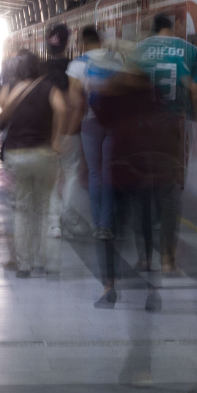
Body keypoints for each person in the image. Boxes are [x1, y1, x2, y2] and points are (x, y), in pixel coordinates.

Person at [132, 14, 197, 275]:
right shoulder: (187, 51)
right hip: (171, 129)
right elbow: (195, 92)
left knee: (141, 195)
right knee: (169, 195)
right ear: (172, 29)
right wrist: (196, 129)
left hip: (139, 131)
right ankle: (167, 260)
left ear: (151, 30)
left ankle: (143, 259)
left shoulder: (137, 52)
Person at [0, 50, 68, 278]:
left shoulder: (10, 87)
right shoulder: (49, 86)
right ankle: (46, 263)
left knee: (22, 210)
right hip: (44, 154)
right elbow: (62, 109)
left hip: (16, 155)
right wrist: (55, 141)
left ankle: (23, 265)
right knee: (46, 208)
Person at [68, 27, 124, 239]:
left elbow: (75, 101)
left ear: (83, 43)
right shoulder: (116, 60)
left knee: (94, 174)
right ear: (100, 41)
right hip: (114, 123)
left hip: (90, 122)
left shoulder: (77, 65)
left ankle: (97, 223)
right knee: (109, 174)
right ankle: (107, 224)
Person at [43, 24, 87, 238]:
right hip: (70, 130)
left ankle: (54, 224)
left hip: (48, 131)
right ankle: (68, 218)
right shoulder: (75, 67)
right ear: (67, 43)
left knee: (53, 177)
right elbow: (78, 102)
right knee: (71, 175)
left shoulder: (40, 70)